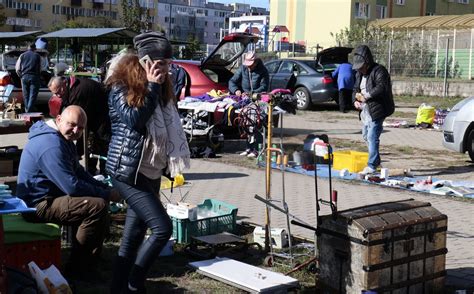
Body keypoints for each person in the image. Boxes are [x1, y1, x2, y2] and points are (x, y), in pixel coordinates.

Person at [105, 32, 190, 293]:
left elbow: (167, 125)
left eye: (168, 63)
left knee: (134, 234)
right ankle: (135, 283)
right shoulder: (120, 86)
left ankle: (118, 288)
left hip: (150, 168)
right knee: (162, 229)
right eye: (161, 63)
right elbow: (135, 120)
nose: (166, 69)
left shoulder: (162, 87)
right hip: (127, 170)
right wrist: (153, 86)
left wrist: (159, 86)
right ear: (145, 63)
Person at [16, 105, 119, 277]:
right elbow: (72, 186)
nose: (76, 130)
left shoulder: (62, 138)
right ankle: (78, 268)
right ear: (58, 120)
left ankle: (89, 260)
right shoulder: (51, 145)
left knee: (95, 199)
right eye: (72, 124)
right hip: (36, 205)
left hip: (51, 196)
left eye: (81, 127)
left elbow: (79, 172)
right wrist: (108, 194)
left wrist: (104, 188)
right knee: (96, 206)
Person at [48, 76, 111, 175]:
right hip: (94, 116)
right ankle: (92, 171)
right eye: (55, 93)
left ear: (64, 83)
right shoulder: (70, 88)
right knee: (91, 146)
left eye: (58, 91)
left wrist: (77, 152)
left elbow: (80, 124)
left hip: (103, 118)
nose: (57, 96)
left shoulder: (78, 92)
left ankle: (105, 175)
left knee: (102, 146)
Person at [352, 45, 395, 175]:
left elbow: (382, 87)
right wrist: (355, 100)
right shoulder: (359, 74)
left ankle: (371, 165)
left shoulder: (379, 70)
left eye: (362, 66)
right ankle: (376, 161)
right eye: (358, 67)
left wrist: (367, 96)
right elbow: (355, 89)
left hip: (378, 109)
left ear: (367, 62)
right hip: (365, 110)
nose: (361, 69)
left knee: (372, 136)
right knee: (366, 135)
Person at [229, 51, 269, 157]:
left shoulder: (263, 71)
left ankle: (255, 149)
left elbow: (264, 87)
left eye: (250, 65)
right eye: (247, 65)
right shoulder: (243, 69)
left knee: (254, 122)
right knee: (245, 122)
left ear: (255, 62)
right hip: (245, 100)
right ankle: (248, 148)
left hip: (258, 99)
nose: (249, 67)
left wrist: (252, 94)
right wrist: (236, 90)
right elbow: (232, 81)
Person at [15, 44, 41, 112]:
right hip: (34, 76)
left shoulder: (22, 55)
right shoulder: (37, 56)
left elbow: (17, 68)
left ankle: (28, 110)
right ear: (34, 48)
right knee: (32, 95)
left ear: (28, 48)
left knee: (25, 95)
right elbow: (40, 68)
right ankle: (29, 111)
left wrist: (21, 76)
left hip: (24, 76)